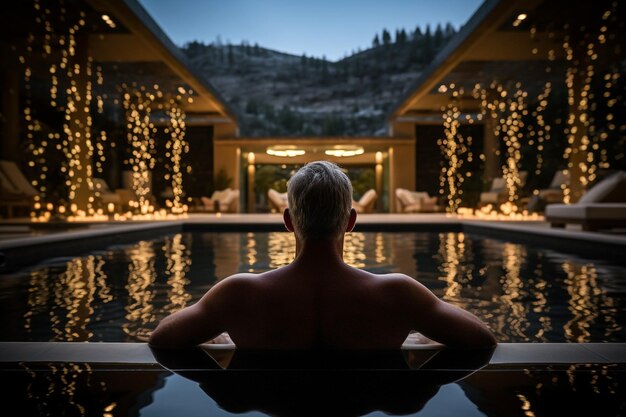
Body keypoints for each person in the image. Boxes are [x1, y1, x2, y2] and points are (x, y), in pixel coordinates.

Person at [149, 161, 496, 349]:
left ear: (288, 221)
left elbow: (162, 339)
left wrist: (223, 340)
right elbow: (481, 340)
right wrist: (418, 338)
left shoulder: (239, 294)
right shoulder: (397, 293)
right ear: (351, 222)